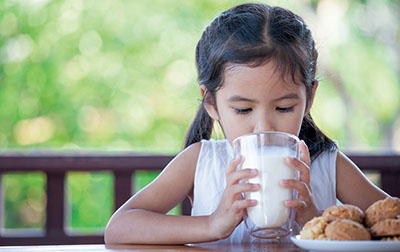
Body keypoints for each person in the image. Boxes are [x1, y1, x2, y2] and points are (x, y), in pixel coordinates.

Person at [104, 3, 388, 244]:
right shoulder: (201, 162)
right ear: (211, 103)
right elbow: (119, 229)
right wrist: (212, 224)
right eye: (242, 109)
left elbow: (391, 220)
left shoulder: (327, 164)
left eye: (284, 107)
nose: (264, 126)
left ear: (310, 97)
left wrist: (316, 221)